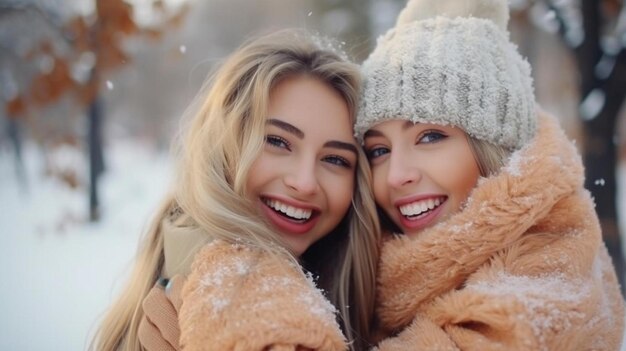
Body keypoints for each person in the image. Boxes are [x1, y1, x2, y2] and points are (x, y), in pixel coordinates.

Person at [355, 0, 625, 350]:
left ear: (495, 148)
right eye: (379, 150)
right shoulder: (374, 261)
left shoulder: (545, 287)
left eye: (430, 136)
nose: (396, 176)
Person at [91, 29, 381, 351]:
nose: (305, 182)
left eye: (335, 159)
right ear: (224, 143)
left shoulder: (363, 291)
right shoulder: (206, 304)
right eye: (277, 141)